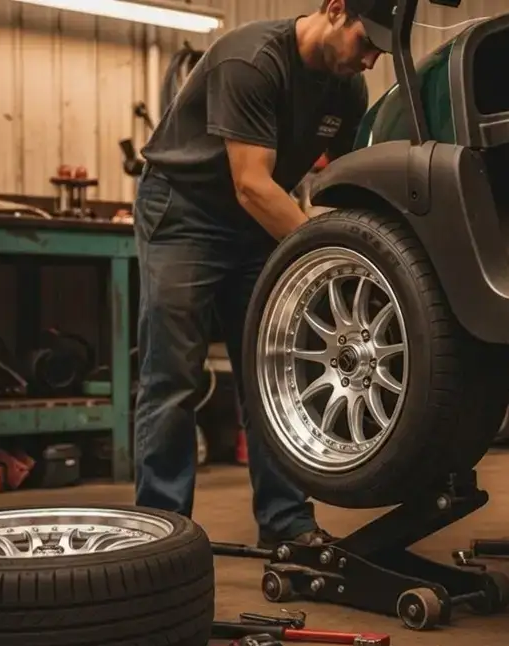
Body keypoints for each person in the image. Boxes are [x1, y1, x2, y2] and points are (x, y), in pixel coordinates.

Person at [133, 0, 390, 547]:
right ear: (335, 8)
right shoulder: (250, 60)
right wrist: (326, 254)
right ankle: (162, 530)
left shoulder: (348, 92)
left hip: (255, 228)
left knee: (272, 376)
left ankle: (287, 523)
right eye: (365, 42)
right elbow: (251, 183)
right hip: (185, 213)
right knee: (174, 376)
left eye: (378, 51)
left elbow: (345, 185)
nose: (370, 59)